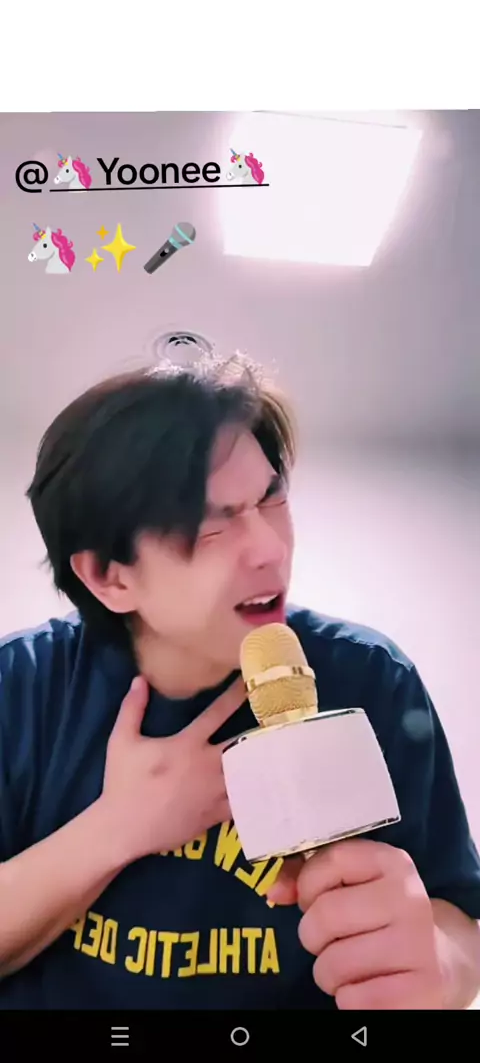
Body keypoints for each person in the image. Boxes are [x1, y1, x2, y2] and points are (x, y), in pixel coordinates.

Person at [0, 353, 479, 1012]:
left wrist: (441, 967)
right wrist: (120, 827)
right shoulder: (22, 689)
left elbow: (457, 920)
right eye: (210, 524)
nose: (270, 549)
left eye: (270, 498)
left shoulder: (370, 679)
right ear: (110, 576)